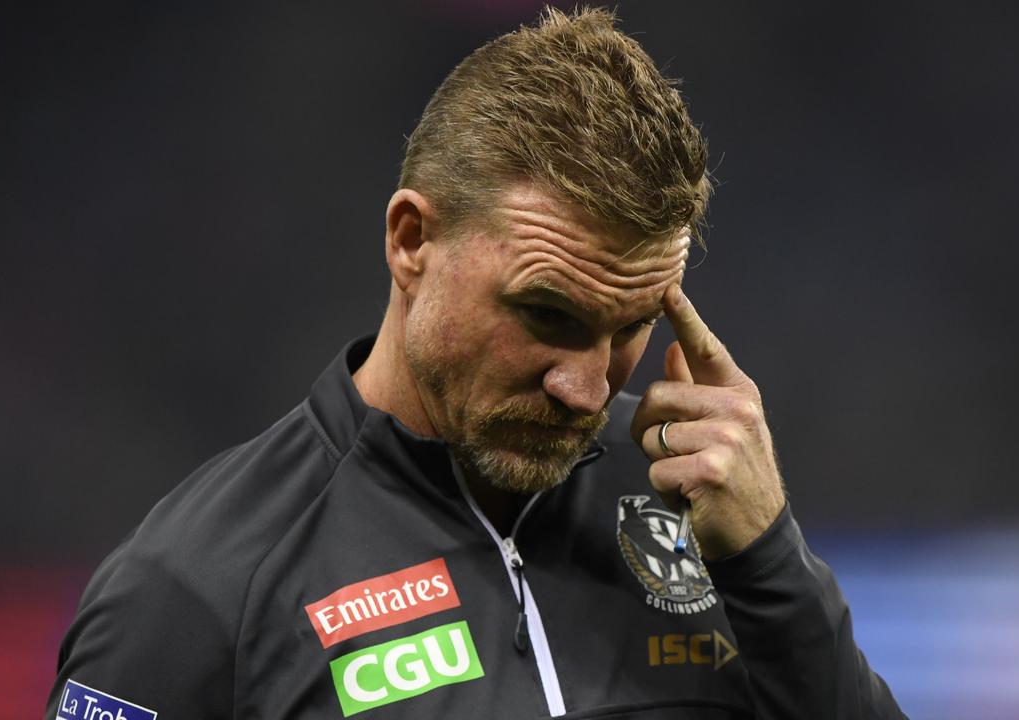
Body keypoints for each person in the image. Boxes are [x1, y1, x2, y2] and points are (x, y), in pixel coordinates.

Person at [45, 7, 905, 719]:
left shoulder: (696, 515)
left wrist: (768, 563)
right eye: (546, 314)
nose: (587, 386)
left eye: (631, 326)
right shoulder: (196, 593)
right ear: (412, 240)